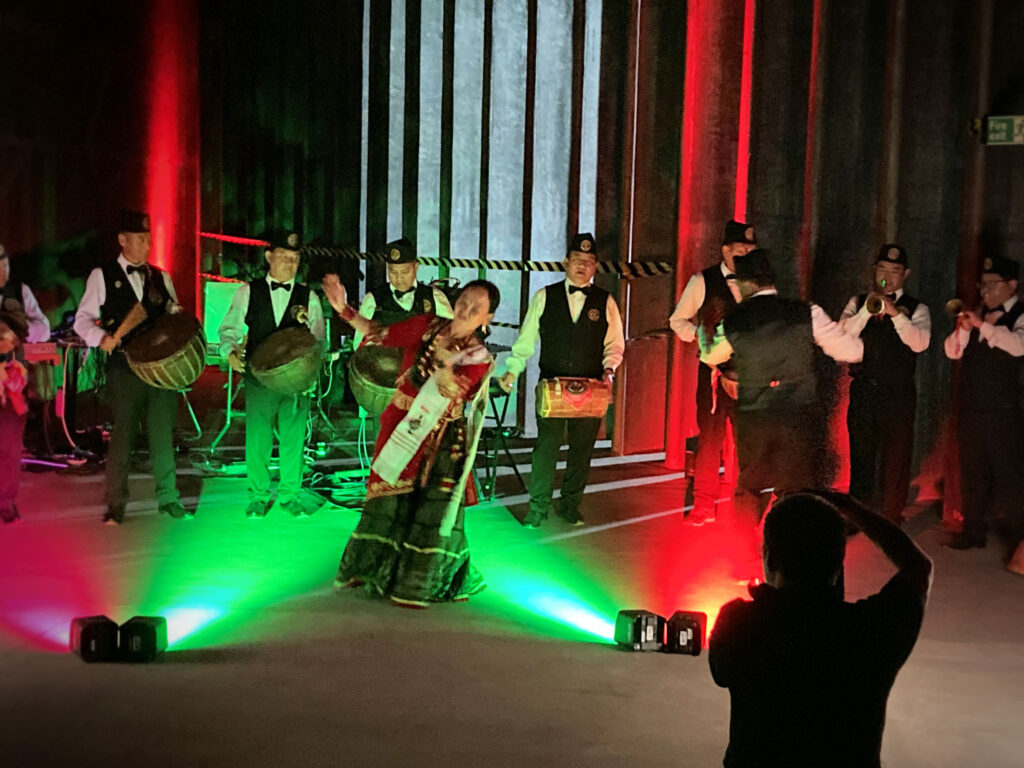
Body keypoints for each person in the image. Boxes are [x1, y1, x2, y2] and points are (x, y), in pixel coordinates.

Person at [709, 489, 932, 768]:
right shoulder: (869, 631)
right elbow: (917, 567)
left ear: (770, 557)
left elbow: (721, 671)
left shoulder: (739, 622)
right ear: (838, 561)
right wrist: (852, 509)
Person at [323, 274, 498, 607]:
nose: (465, 309)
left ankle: (418, 582)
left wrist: (447, 362)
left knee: (428, 514)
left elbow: (451, 390)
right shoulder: (429, 324)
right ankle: (376, 570)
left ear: (486, 318)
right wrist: (343, 309)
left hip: (441, 442)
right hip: (400, 427)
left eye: (476, 308)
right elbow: (381, 334)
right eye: (463, 301)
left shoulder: (479, 357)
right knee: (386, 501)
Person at [701, 249, 863, 550]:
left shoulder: (735, 321)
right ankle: (789, 556)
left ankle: (743, 556)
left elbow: (710, 354)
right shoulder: (806, 312)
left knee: (750, 485)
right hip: (798, 415)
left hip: (755, 415)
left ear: (745, 284)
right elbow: (852, 352)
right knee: (797, 490)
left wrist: (704, 333)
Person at [499, 233, 625, 528]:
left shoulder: (604, 301)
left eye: (590, 262)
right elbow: (526, 341)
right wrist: (511, 372)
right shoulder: (545, 296)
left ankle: (570, 505)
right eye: (577, 260)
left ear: (596, 267)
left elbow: (614, 343)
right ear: (566, 262)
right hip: (552, 386)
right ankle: (538, 508)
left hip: (591, 387)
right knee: (546, 447)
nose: (583, 266)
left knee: (582, 450)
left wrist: (609, 371)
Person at [73, 211, 186, 525]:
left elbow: (174, 317)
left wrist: (175, 314)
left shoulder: (160, 277)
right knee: (122, 435)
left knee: (162, 433)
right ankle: (116, 504)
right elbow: (82, 318)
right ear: (122, 240)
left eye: (149, 238)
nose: (147, 243)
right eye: (140, 238)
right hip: (125, 367)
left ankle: (169, 498)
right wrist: (101, 338)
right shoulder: (103, 275)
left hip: (161, 370)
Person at [218, 230, 326, 518]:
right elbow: (229, 328)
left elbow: (319, 337)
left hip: (295, 381)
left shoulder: (308, 296)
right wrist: (228, 353)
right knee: (258, 438)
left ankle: (291, 496)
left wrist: (310, 372)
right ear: (269, 257)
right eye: (284, 257)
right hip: (259, 377)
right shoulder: (248, 291)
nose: (290, 263)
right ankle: (257, 496)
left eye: (295, 258)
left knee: (293, 439)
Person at [669, 220, 757, 525]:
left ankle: (745, 510)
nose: (745, 254)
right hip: (713, 375)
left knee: (749, 442)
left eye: (750, 249)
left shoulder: (759, 284)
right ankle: (704, 503)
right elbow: (677, 321)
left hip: (749, 375)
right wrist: (701, 336)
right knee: (710, 440)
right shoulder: (703, 280)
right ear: (725, 250)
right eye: (740, 248)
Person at [943, 255, 1024, 570]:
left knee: (1009, 474)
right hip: (973, 407)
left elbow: (1018, 345)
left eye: (992, 284)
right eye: (983, 284)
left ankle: (1019, 539)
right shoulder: (978, 314)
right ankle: (972, 531)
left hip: (1004, 409)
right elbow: (952, 351)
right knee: (972, 471)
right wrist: (964, 329)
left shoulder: (1019, 314)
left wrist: (982, 326)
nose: (985, 290)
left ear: (1012, 285)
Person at [840, 244, 931, 524]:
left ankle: (892, 515)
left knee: (896, 455)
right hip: (865, 387)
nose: (887, 277)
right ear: (874, 270)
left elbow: (920, 343)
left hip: (898, 392)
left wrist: (895, 314)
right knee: (861, 452)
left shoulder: (917, 308)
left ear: (905, 274)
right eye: (882, 269)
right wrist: (867, 311)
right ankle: (858, 514)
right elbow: (842, 335)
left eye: (894, 271)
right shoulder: (857, 302)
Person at [0, 242, 51, 525]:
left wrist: (16, 331)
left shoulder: (20, 291)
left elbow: (42, 328)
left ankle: (5, 502)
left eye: (5, 261)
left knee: (9, 445)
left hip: (13, 383)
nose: (2, 268)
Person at [354, 237, 452, 344]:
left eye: (405, 272)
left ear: (416, 267)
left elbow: (453, 334)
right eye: (393, 272)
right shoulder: (373, 299)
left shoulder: (434, 297)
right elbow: (358, 344)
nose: (399, 278)